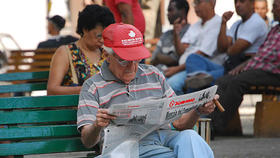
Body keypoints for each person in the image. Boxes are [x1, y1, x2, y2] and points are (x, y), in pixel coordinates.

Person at [77, 23, 218, 157]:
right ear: (107, 56)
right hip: (128, 148)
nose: (132, 67)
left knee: (191, 136)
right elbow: (88, 141)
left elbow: (180, 123)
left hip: (165, 137)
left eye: (136, 59)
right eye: (124, 60)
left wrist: (198, 110)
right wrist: (97, 125)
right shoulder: (93, 86)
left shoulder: (153, 74)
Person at [211, 0, 280, 136]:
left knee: (238, 82)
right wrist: (244, 66)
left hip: (274, 72)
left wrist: (245, 64)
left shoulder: (257, 23)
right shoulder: (274, 29)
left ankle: (216, 126)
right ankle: (211, 120)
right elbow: (258, 53)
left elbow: (231, 51)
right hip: (258, 68)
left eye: (276, 7)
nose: (272, 11)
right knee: (223, 80)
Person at [47, 5, 115, 95]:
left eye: (105, 36)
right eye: (99, 35)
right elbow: (52, 90)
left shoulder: (106, 54)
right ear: (85, 30)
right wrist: (88, 89)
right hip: (73, 107)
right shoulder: (65, 53)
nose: (102, 40)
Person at [166, 0, 224, 95]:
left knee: (172, 85)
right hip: (185, 68)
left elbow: (200, 55)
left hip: (202, 69)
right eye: (194, 3)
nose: (195, 7)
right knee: (161, 83)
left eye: (199, 2)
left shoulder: (217, 23)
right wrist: (176, 34)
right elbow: (182, 52)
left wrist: (176, 69)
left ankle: (185, 109)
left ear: (212, 3)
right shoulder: (196, 25)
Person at [217, 0, 268, 74]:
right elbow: (221, 48)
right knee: (197, 61)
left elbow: (234, 51)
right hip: (230, 66)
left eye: (242, 1)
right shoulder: (236, 24)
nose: (237, 5)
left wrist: (227, 49)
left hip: (246, 69)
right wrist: (223, 23)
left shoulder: (256, 22)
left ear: (252, 4)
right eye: (235, 2)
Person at [151, 0, 190, 71]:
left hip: (173, 74)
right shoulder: (165, 35)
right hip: (157, 73)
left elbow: (178, 60)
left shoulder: (191, 32)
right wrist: (164, 58)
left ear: (182, 11)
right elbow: (153, 59)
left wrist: (159, 58)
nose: (167, 14)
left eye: (170, 10)